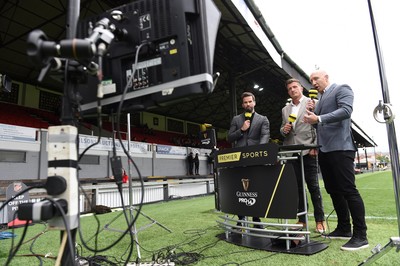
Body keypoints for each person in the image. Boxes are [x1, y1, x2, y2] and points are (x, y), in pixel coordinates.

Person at [304, 70, 368, 251]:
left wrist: (319, 117)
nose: (313, 82)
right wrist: (313, 114)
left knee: (348, 190)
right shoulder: (321, 99)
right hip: (324, 149)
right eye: (311, 80)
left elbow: (346, 111)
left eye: (316, 78)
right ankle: (344, 228)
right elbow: (318, 123)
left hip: (341, 148)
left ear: (326, 77)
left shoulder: (342, 88)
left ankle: (361, 235)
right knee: (334, 191)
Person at [280, 78, 326, 233]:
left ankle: (320, 220)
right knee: (298, 188)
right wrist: (283, 130)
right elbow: (282, 129)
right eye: (289, 88)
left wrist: (315, 146)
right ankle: (302, 220)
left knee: (313, 187)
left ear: (301, 88)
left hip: (308, 150)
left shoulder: (312, 102)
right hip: (292, 151)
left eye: (295, 87)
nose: (292, 90)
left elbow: (318, 126)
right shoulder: (285, 109)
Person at [228, 91, 270, 229]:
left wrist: (257, 153)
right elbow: (229, 137)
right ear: (242, 104)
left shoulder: (263, 119)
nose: (248, 104)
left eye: (250, 102)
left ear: (254, 102)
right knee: (240, 189)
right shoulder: (236, 119)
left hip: (255, 159)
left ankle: (256, 219)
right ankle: (241, 219)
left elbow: (265, 137)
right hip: (239, 160)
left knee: (256, 189)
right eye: (245, 102)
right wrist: (241, 129)